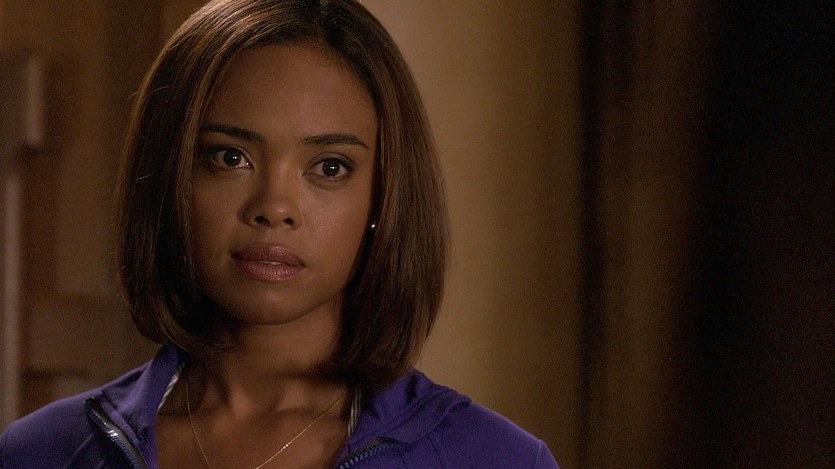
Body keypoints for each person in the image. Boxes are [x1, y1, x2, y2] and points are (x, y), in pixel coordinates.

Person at [0, 1, 559, 467]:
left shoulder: (496, 458)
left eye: (330, 167)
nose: (274, 208)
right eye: (230, 157)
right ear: (170, 176)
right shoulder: (40, 452)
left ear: (383, 197)